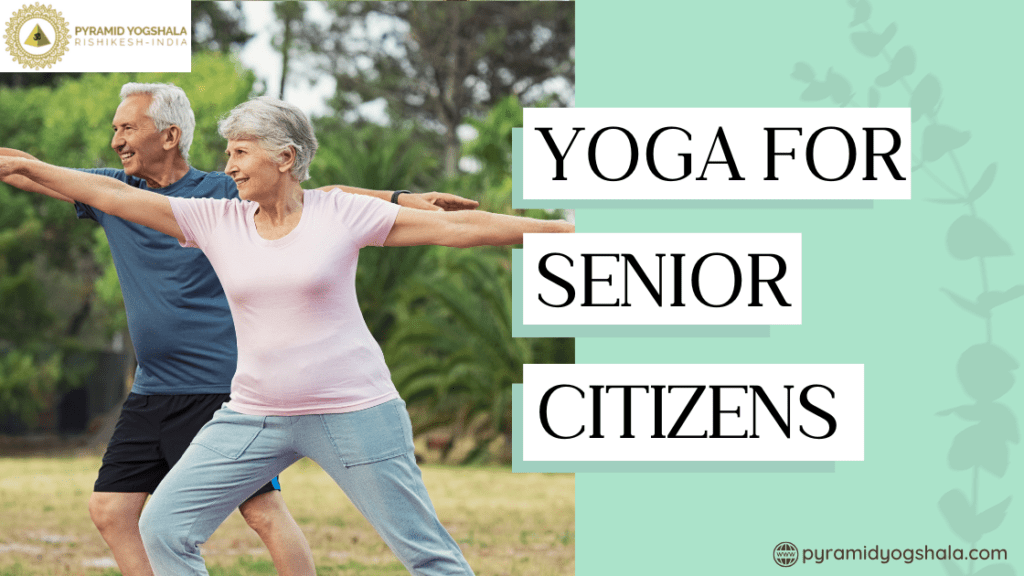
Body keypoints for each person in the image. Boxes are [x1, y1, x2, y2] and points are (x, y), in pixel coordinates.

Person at [0, 95, 573, 576]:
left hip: (354, 409)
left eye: (241, 152)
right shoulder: (215, 221)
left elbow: (461, 228)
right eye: (228, 153)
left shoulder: (339, 213)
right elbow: (118, 196)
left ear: (285, 156)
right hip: (254, 415)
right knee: (165, 528)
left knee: (427, 556)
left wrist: (564, 231)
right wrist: (23, 166)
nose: (231, 166)